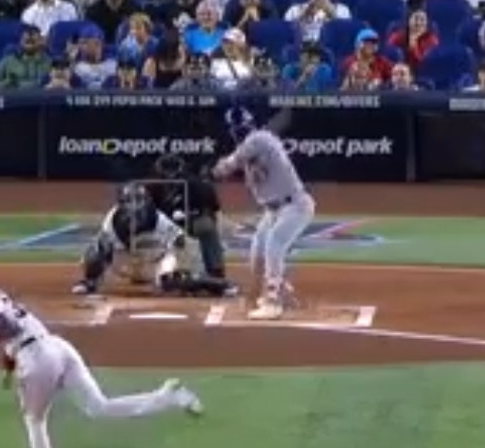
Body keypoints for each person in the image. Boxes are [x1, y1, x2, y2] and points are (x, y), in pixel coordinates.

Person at [0, 255, 202, 448]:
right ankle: (168, 396)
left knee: (35, 422)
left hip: (36, 359)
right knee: (99, 406)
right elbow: (11, 339)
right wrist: (8, 369)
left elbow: (6, 326)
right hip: (57, 347)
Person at [211, 107, 314, 320]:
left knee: (274, 243)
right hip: (273, 210)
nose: (238, 132)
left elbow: (229, 165)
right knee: (258, 251)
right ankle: (279, 290)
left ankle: (273, 301)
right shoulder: (258, 142)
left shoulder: (259, 139)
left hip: (295, 205)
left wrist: (217, 168)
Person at [72, 183, 231, 297]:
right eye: (129, 201)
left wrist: (185, 267)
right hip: (124, 263)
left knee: (172, 280)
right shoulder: (112, 218)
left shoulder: (159, 220)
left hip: (152, 263)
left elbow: (180, 242)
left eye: (138, 200)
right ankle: (89, 282)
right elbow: (107, 246)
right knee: (99, 247)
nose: (134, 205)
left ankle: (213, 284)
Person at [146, 153, 234, 291]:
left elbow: (213, 208)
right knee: (142, 229)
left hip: (189, 222)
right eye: (166, 170)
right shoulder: (152, 187)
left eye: (173, 169)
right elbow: (146, 212)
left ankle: (216, 271)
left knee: (206, 226)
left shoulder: (196, 185)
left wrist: (193, 215)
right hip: (163, 226)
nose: (170, 174)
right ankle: (143, 271)